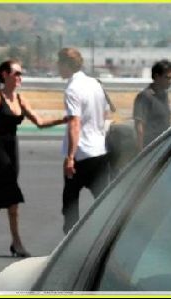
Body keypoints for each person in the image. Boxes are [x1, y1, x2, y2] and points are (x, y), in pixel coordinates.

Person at [0, 59, 66, 256]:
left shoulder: (21, 100)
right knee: (12, 198)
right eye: (16, 73)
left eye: (21, 74)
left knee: (0, 200)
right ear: (4, 75)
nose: (20, 77)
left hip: (13, 149)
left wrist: (65, 119)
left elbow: (40, 122)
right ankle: (16, 243)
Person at [57, 48, 110, 234]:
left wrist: (70, 157)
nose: (57, 68)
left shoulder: (72, 89)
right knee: (105, 202)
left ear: (66, 65)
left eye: (59, 63)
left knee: (70, 207)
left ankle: (71, 247)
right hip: (99, 151)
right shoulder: (95, 83)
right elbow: (104, 113)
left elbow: (74, 124)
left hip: (80, 154)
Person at [133, 59, 171, 151]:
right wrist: (141, 152)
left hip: (164, 146)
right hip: (151, 148)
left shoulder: (164, 95)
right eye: (167, 78)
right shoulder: (145, 96)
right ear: (157, 76)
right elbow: (139, 126)